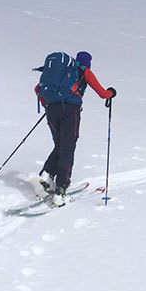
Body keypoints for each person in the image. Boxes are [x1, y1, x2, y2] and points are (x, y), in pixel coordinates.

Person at [34, 51, 116, 206]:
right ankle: (60, 191)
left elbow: (37, 89)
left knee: (60, 145)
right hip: (70, 111)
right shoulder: (84, 71)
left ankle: (47, 173)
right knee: (68, 147)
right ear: (88, 62)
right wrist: (111, 93)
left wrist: (49, 104)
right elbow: (102, 94)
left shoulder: (63, 71)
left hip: (51, 110)